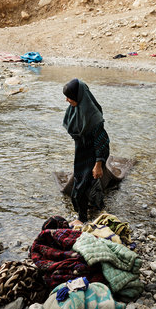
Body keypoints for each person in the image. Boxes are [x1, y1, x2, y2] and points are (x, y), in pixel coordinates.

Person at [62, 79, 110, 226]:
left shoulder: (93, 117)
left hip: (94, 153)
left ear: (78, 96)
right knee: (88, 181)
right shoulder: (76, 109)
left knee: (81, 185)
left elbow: (102, 142)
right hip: (82, 151)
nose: (67, 100)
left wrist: (98, 164)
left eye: (69, 97)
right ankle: (98, 206)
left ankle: (82, 218)